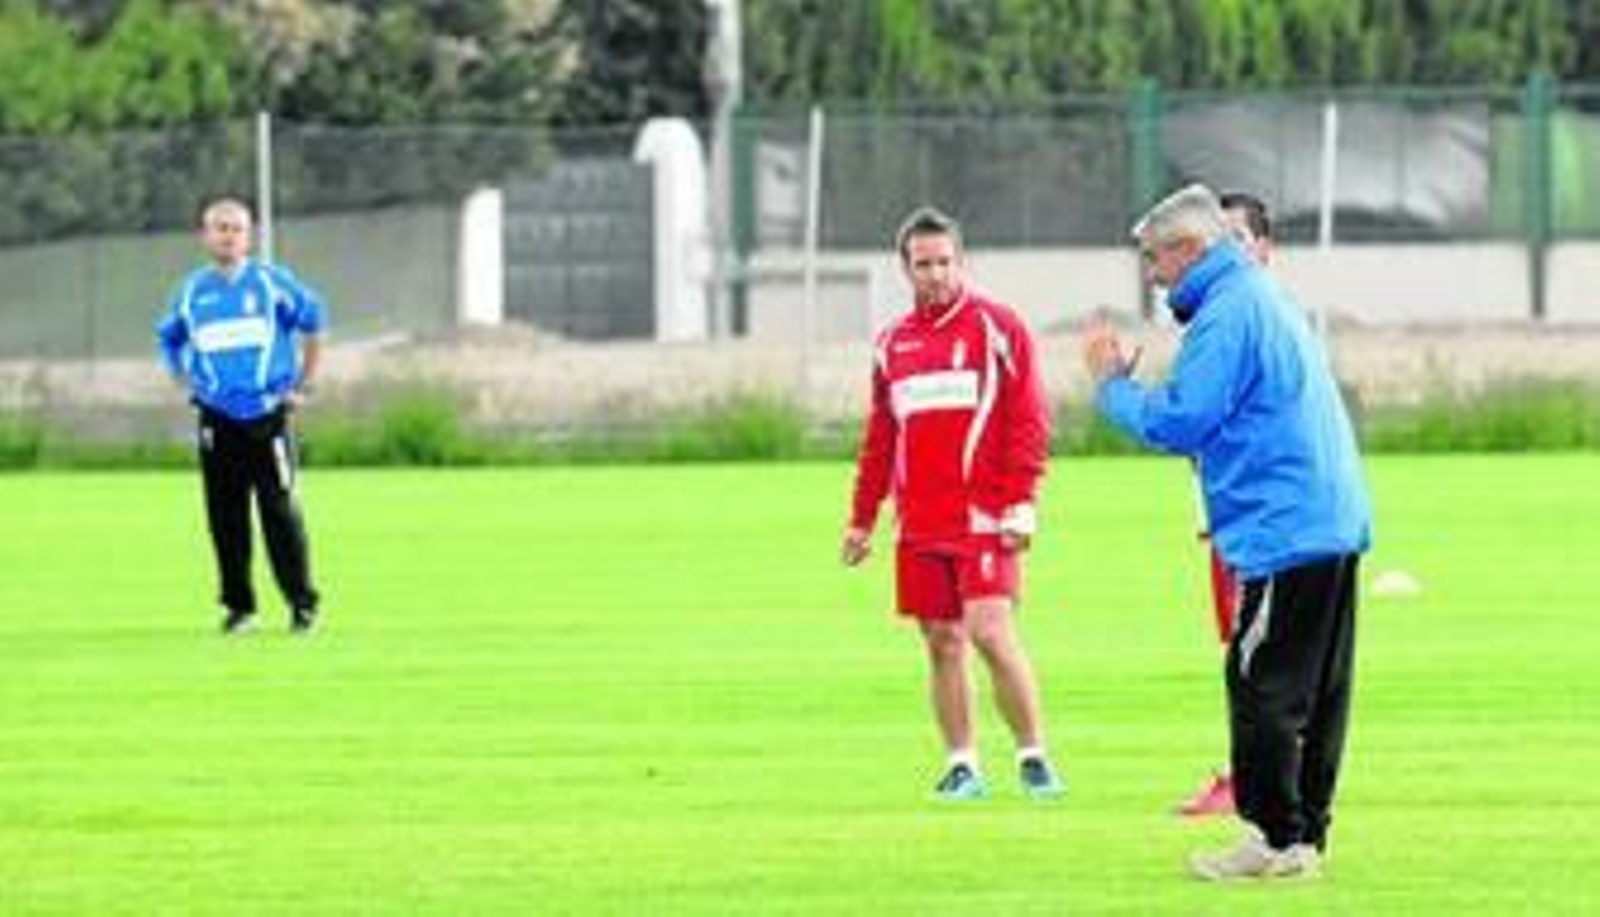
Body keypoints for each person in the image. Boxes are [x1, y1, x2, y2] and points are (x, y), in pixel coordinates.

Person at [1082, 184, 1370, 880]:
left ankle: (1271, 837)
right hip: (1327, 520)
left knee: (1260, 682)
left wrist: (1113, 389)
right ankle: (1303, 838)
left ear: (1188, 248)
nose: (1152, 275)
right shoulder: (1263, 298)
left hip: (1283, 528)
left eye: (1154, 259)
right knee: (1316, 691)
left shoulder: (1228, 313)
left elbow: (1184, 418)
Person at [842, 206, 1064, 802]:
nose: (936, 274)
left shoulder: (998, 328)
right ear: (905, 270)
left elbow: (1027, 419)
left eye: (945, 262)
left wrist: (1022, 502)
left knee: (990, 631)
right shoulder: (893, 343)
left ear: (960, 262)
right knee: (941, 642)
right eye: (923, 265)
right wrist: (862, 518)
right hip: (919, 522)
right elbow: (881, 439)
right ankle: (963, 764)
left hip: (985, 516)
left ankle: (1034, 756)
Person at [156, 195, 325, 635]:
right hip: (217, 417)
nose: (227, 235)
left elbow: (313, 321)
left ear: (249, 236)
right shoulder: (192, 292)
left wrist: (303, 385)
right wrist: (185, 382)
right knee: (225, 515)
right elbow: (169, 340)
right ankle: (240, 608)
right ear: (205, 236)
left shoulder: (271, 283)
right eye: (219, 227)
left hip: (268, 415)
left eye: (236, 228)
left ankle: (302, 604)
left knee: (279, 510)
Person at [1175, 190, 1275, 818]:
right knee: (1240, 649)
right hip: (1224, 521)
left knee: (1263, 653)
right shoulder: (1215, 320)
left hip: (1266, 524)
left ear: (1264, 249)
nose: (1228, 250)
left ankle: (1259, 783)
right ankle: (1250, 773)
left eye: (1239, 237)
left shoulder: (1262, 320)